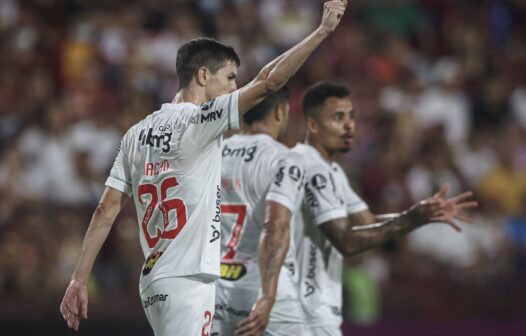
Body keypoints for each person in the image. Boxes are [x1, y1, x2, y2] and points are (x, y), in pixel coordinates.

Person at [59, 1, 348, 335]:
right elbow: (268, 82)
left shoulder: (134, 135)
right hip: (188, 279)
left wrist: (79, 278)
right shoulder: (200, 122)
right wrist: (322, 31)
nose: (233, 88)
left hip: (155, 282)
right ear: (203, 75)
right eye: (229, 78)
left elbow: (105, 209)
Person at [291, 81, 478, 335]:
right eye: (337, 119)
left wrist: (417, 216)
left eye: (350, 118)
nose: (348, 126)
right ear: (313, 125)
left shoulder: (337, 173)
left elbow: (364, 221)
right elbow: (344, 238)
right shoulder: (298, 167)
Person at [212, 87, 306, 336]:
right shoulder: (284, 159)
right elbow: (275, 225)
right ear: (279, 111)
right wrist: (268, 295)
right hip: (263, 288)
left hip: (215, 287)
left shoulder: (214, 153)